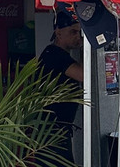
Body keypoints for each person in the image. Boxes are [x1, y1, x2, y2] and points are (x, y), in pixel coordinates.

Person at [37, 11, 84, 165]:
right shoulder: (53, 54)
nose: (78, 37)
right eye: (73, 32)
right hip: (50, 131)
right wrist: (87, 49)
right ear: (58, 33)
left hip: (58, 130)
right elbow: (82, 75)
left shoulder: (57, 54)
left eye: (79, 32)